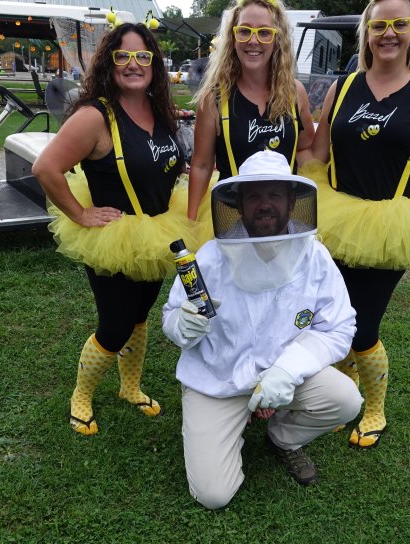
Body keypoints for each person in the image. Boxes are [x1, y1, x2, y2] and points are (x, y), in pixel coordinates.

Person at [307, 0, 410, 448]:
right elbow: (317, 154)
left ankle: (375, 407)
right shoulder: (342, 88)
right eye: (379, 24)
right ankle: (344, 396)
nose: (389, 33)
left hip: (391, 224)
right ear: (366, 32)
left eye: (399, 24)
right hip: (333, 218)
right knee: (329, 319)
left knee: (362, 324)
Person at [162, 151, 362, 509]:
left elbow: (337, 327)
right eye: (254, 196)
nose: (265, 205)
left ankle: (283, 437)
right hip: (217, 379)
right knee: (213, 495)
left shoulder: (315, 257)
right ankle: (224, 426)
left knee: (345, 399)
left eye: (274, 195)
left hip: (285, 374)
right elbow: (171, 315)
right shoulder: (209, 256)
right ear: (238, 205)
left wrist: (286, 371)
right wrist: (182, 324)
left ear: (290, 201)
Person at [32, 23, 188, 436]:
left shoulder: (160, 111)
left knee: (139, 316)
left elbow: (163, 162)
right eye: (123, 56)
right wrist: (80, 214)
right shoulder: (93, 115)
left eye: (143, 56)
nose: (134, 64)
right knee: (115, 326)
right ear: (109, 62)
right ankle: (81, 394)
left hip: (156, 231)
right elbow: (45, 168)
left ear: (155, 64)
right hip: (115, 239)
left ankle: (130, 387)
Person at [187, 0, 315, 222]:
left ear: (277, 39)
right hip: (232, 217)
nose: (253, 41)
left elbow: (304, 148)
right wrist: (191, 222)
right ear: (232, 38)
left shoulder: (296, 93)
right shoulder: (213, 99)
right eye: (244, 31)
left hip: (284, 218)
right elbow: (201, 165)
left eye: (264, 32)